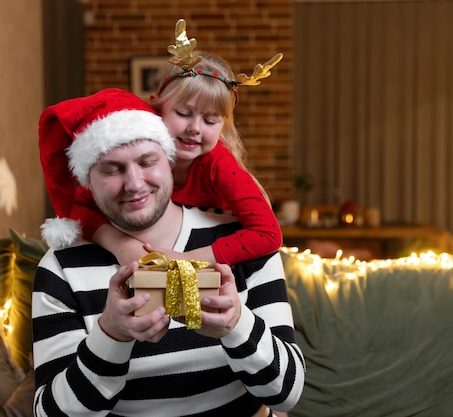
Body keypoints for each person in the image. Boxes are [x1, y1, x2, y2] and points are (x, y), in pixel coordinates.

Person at [33, 87, 305, 417]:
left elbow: (287, 394)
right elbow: (49, 413)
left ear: (170, 159)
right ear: (87, 179)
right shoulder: (61, 267)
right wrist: (111, 335)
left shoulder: (239, 242)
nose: (134, 184)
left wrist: (236, 325)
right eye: (112, 169)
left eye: (147, 162)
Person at [71, 19, 284, 267]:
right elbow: (76, 204)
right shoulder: (136, 147)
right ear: (157, 107)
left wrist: (186, 260)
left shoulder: (219, 164)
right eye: (183, 114)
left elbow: (268, 234)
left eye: (210, 120)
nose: (194, 128)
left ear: (224, 125)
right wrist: (120, 245)